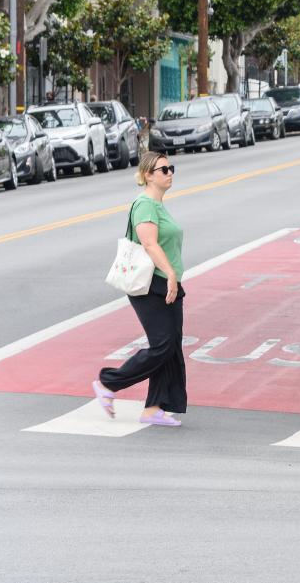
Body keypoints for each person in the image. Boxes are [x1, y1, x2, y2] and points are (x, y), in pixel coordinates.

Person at [92, 152, 187, 426]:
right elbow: (149, 244)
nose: (169, 173)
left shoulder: (158, 205)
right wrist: (170, 273)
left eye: (171, 168)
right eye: (163, 169)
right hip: (151, 284)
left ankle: (153, 409)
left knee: (170, 346)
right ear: (148, 175)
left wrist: (173, 277)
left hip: (166, 282)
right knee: (163, 344)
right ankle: (108, 383)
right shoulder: (145, 205)